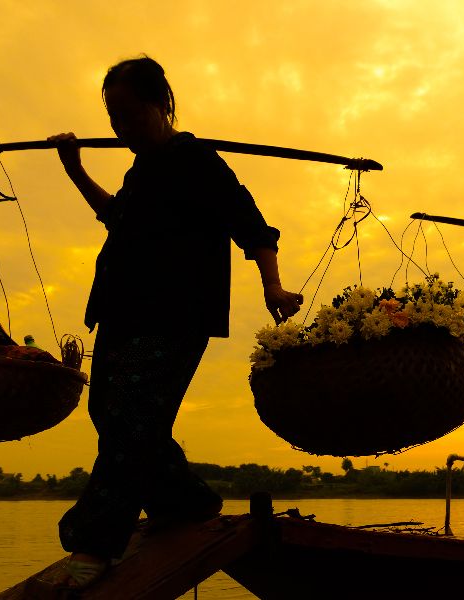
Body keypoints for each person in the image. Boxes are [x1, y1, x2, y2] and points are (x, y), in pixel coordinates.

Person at [40, 55, 303, 590]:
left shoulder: (196, 161)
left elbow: (251, 223)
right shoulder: (140, 171)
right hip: (120, 308)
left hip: (175, 313)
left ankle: (95, 542)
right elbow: (117, 217)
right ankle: (186, 501)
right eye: (114, 120)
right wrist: (74, 169)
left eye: (131, 117)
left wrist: (271, 284)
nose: (122, 129)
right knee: (110, 414)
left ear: (162, 106)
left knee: (132, 414)